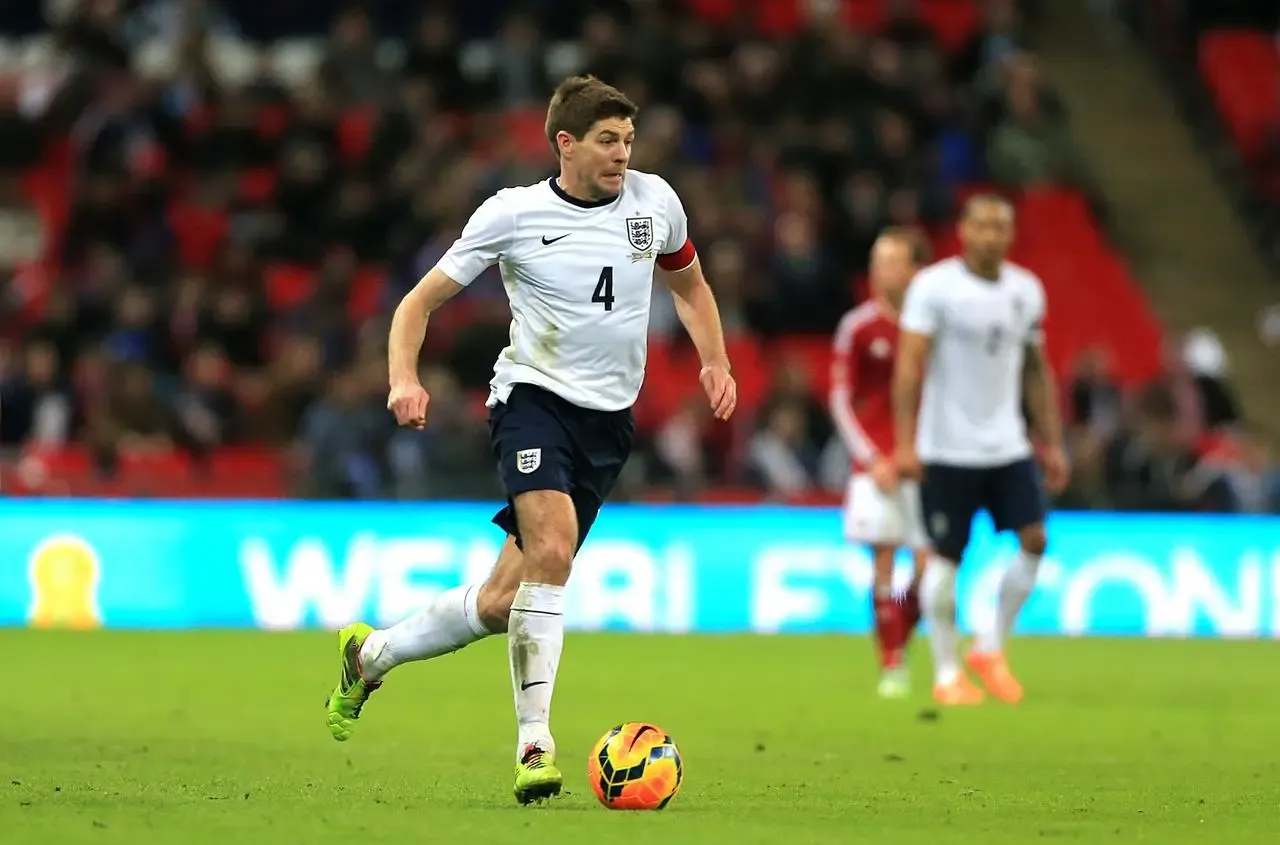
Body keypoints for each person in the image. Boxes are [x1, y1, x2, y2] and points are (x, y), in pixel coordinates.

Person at [323, 76, 738, 803]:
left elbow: (691, 285)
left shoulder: (655, 204)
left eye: (629, 141)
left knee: (501, 598)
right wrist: (403, 378)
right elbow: (417, 304)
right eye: (608, 141)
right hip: (531, 402)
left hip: (609, 422)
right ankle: (534, 744)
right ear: (566, 144)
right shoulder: (513, 215)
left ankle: (371, 653)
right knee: (552, 550)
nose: (622, 155)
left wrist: (714, 358)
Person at [892, 195, 1069, 706]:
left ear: (1010, 235)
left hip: (1008, 444)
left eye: (1001, 227)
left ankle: (990, 647)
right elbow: (909, 367)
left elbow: (1036, 370)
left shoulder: (1025, 290)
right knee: (945, 558)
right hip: (947, 448)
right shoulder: (934, 288)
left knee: (1035, 540)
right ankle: (948, 672)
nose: (992, 235)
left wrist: (1051, 441)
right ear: (964, 231)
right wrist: (906, 444)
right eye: (982, 226)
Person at [829, 228, 930, 700]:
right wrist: (871, 459)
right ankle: (892, 662)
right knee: (885, 562)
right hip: (879, 467)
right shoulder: (859, 326)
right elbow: (840, 399)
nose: (880, 270)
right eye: (876, 260)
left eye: (891, 261)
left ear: (914, 270)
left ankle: (899, 637)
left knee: (933, 571)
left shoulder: (933, 329)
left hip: (926, 464)